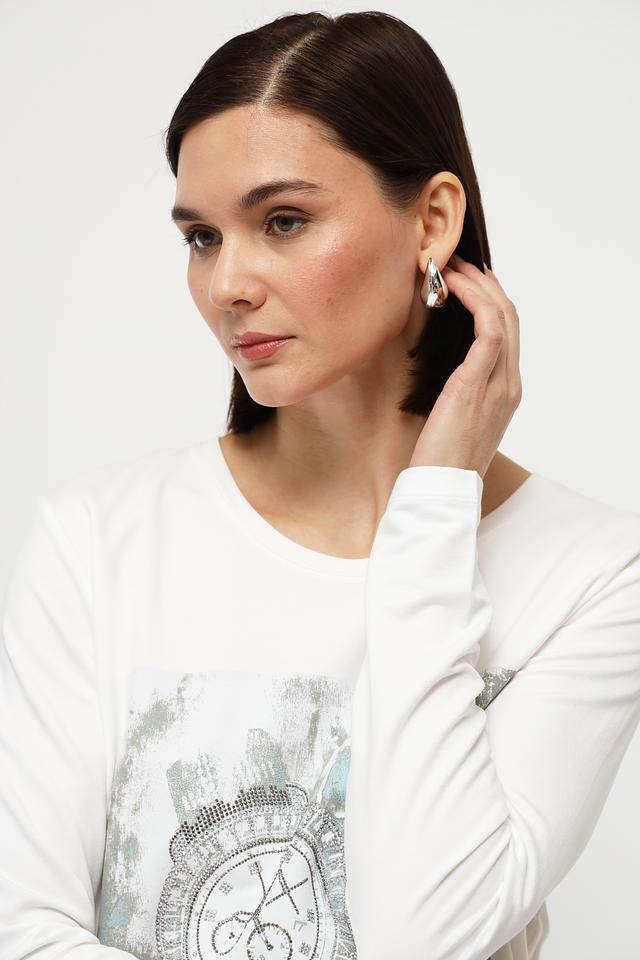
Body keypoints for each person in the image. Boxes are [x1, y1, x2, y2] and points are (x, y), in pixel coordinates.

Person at [1, 10, 639, 960]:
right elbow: (21, 931)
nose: (227, 284)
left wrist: (433, 511)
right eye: (202, 237)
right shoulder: (97, 541)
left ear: (432, 221)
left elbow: (427, 938)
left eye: (283, 221)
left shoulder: (593, 573)